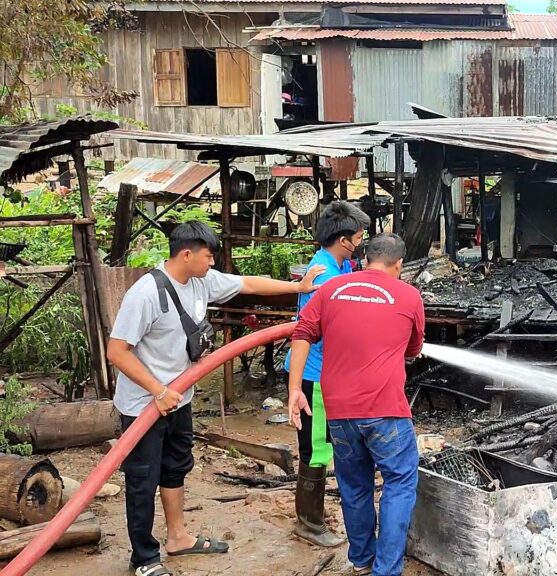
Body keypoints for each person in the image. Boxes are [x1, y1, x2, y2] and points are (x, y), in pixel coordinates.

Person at [107, 221, 326, 576]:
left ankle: (178, 537)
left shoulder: (201, 281)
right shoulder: (145, 294)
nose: (212, 263)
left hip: (179, 398)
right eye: (208, 256)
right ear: (186, 254)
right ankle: (144, 557)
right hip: (144, 405)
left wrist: (298, 287)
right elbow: (117, 351)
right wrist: (158, 391)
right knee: (142, 480)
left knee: (175, 468)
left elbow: (247, 283)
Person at [288, 233, 424, 576]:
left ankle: (362, 560)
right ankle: (386, 570)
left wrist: (295, 390)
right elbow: (413, 349)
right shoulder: (409, 295)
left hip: (340, 412)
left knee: (354, 486)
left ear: (364, 259)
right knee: (399, 483)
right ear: (399, 264)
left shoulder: (331, 289)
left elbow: (301, 333)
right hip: (386, 410)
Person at [284, 200, 371, 547]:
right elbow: (310, 332)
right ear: (343, 240)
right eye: (359, 237)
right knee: (316, 447)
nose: (362, 242)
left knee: (326, 443)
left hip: (330, 372)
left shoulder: (340, 264)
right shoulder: (323, 277)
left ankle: (315, 515)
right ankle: (309, 523)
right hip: (314, 375)